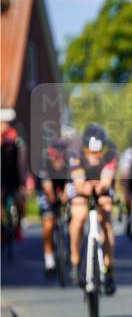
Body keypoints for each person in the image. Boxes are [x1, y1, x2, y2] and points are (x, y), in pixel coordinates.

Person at [67, 124, 118, 295]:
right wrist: (87, 188)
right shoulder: (76, 154)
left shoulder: (111, 154)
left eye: (99, 151)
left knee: (106, 218)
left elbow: (106, 181)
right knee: (79, 215)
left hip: (100, 184)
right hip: (81, 184)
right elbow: (79, 184)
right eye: (92, 151)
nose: (96, 155)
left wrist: (101, 187)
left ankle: (109, 270)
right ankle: (75, 260)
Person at [37, 138, 72, 279]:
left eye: (61, 158)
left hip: (64, 188)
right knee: (48, 225)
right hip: (47, 191)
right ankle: (49, 260)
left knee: (74, 218)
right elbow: (47, 188)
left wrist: (65, 196)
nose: (58, 161)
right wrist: (53, 199)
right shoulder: (45, 164)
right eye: (55, 158)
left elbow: (71, 183)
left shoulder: (69, 163)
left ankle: (71, 251)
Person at [0, 123, 28, 244]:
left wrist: (23, 184)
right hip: (3, 181)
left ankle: (18, 226)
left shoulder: (20, 148)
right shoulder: (1, 149)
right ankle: (2, 229)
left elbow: (22, 166)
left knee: (21, 201)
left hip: (17, 181)